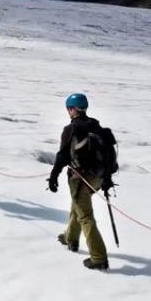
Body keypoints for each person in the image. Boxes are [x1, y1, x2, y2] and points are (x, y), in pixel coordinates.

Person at [47, 93, 110, 270]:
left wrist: (53, 176)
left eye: (69, 108)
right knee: (78, 205)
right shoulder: (96, 126)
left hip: (79, 178)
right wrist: (106, 179)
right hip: (97, 178)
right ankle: (70, 238)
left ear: (73, 109)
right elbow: (107, 154)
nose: (68, 112)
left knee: (85, 216)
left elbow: (62, 156)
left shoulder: (71, 128)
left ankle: (99, 258)